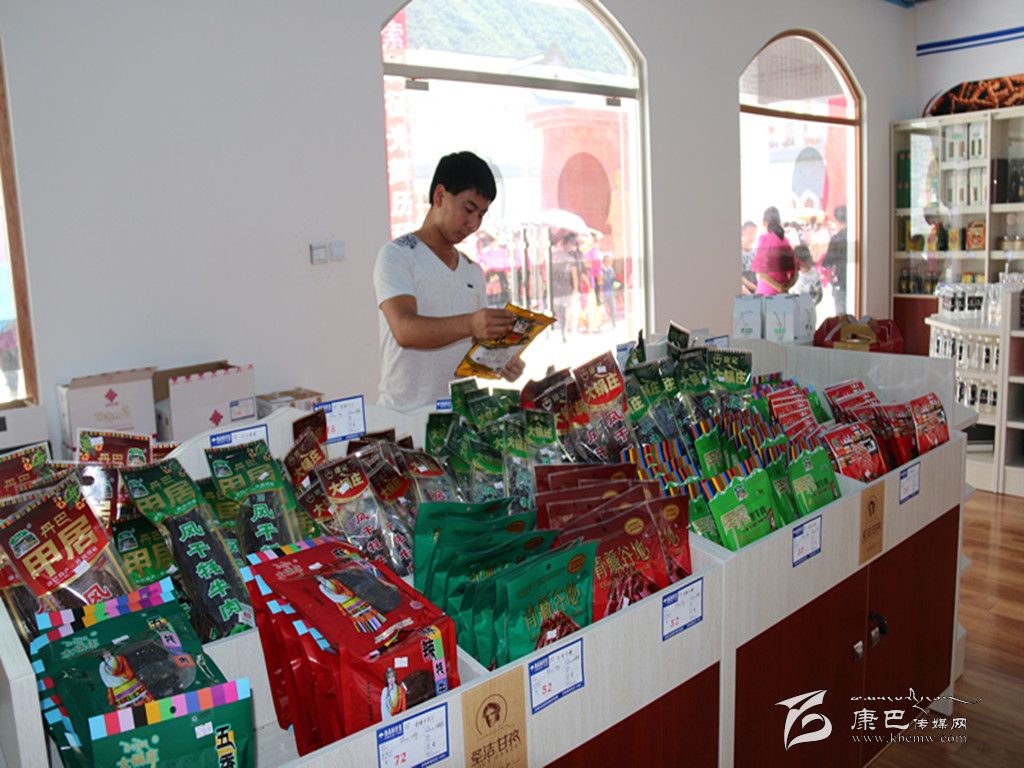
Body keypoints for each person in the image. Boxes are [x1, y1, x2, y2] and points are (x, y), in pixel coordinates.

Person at [374, 152, 524, 411]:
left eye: (481, 214)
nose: (474, 223)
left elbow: (474, 348)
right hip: (404, 414)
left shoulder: (472, 271)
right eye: (468, 209)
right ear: (440, 196)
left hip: (458, 416)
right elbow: (404, 330)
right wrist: (471, 324)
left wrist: (501, 360)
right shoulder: (398, 255)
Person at [752, 206, 797, 296]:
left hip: (767, 293)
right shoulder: (786, 241)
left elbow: (760, 272)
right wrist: (786, 287)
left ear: (764, 222)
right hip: (784, 294)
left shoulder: (764, 239)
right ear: (779, 222)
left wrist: (778, 287)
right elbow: (795, 272)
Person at [550, 231, 580, 342]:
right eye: (572, 244)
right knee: (564, 310)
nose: (573, 247)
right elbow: (574, 275)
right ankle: (563, 332)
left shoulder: (552, 256)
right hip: (565, 288)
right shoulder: (570, 259)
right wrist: (575, 289)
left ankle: (562, 332)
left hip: (556, 288)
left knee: (559, 310)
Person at [823, 205, 848, 315]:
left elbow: (828, 261)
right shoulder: (856, 235)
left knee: (841, 314)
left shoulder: (837, 239)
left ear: (837, 221)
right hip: (855, 279)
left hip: (840, 279)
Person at [740, 221, 758, 294]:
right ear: (742, 232)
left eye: (754, 234)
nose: (752, 237)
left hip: (755, 289)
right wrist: (756, 288)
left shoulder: (756, 252)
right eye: (750, 233)